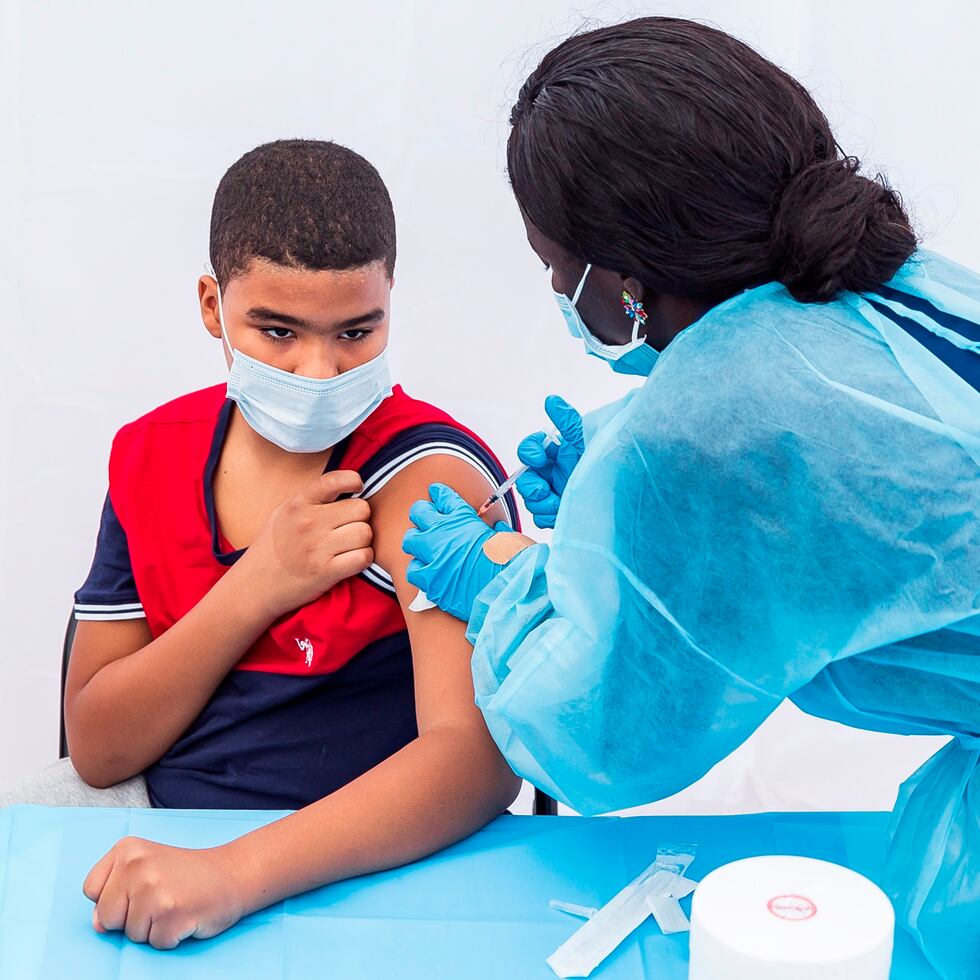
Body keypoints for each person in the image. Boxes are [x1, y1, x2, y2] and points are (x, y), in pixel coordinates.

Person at [402, 18, 980, 979]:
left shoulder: (714, 440)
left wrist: (502, 583)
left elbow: (602, 738)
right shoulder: (907, 288)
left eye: (554, 265)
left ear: (625, 279)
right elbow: (861, 479)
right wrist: (619, 485)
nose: (553, 285)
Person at [1, 139, 521, 948]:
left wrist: (232, 874)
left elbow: (477, 765)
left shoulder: (424, 478)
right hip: (157, 819)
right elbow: (100, 749)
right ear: (213, 306)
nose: (319, 371)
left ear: (391, 302)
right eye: (277, 331)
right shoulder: (152, 454)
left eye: (357, 331)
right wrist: (259, 584)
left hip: (358, 852)